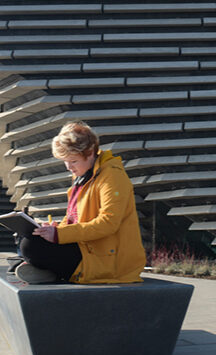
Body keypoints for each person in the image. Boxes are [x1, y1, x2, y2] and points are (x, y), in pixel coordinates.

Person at [15, 121, 146, 285]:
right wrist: (55, 229)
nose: (68, 167)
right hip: (86, 248)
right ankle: (48, 269)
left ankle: (49, 270)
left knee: (31, 246)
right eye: (65, 161)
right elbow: (73, 218)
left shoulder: (112, 176)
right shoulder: (84, 177)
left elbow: (108, 223)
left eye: (73, 161)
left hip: (109, 261)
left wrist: (59, 235)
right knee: (32, 238)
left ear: (90, 153)